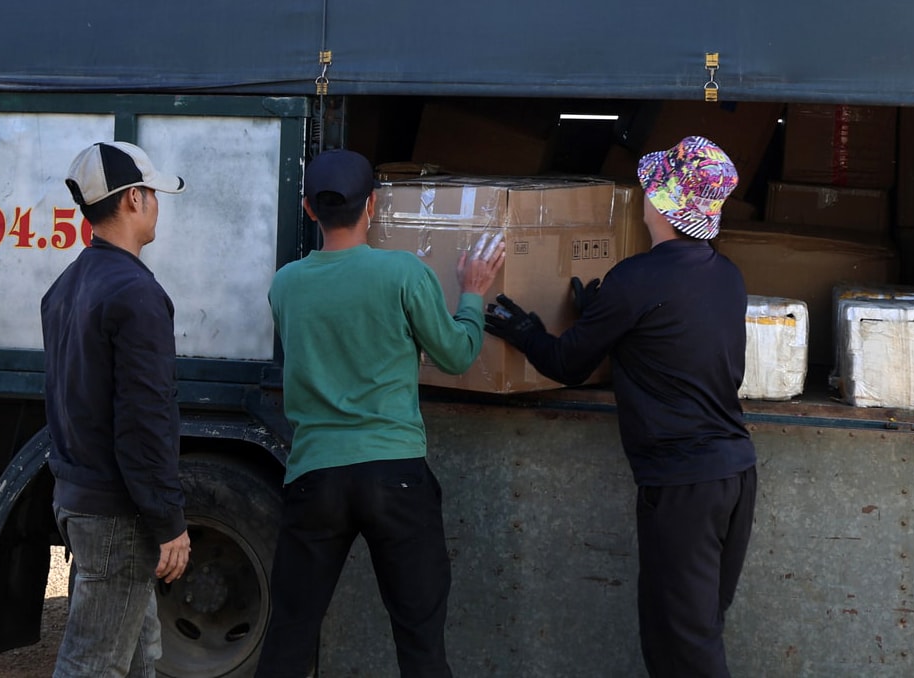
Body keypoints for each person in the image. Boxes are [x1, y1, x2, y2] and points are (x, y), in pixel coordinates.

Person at [484, 135, 757, 678]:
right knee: (696, 632)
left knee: (682, 647)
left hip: (682, 485)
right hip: (735, 474)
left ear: (662, 205)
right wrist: (603, 315)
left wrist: (526, 331)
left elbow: (568, 363)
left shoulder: (636, 279)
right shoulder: (727, 275)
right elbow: (674, 339)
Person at [256, 148, 506, 678]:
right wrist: (472, 295)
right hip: (396, 477)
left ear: (308, 209)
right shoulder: (403, 273)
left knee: (290, 635)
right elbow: (457, 355)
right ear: (372, 205)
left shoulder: (285, 284)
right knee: (420, 642)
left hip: (315, 477)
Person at [41, 141, 192, 678]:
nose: (157, 204)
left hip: (80, 499)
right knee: (92, 664)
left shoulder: (66, 286)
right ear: (133, 199)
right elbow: (144, 420)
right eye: (153, 193)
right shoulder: (136, 293)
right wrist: (168, 520)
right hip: (117, 514)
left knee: (140, 657)